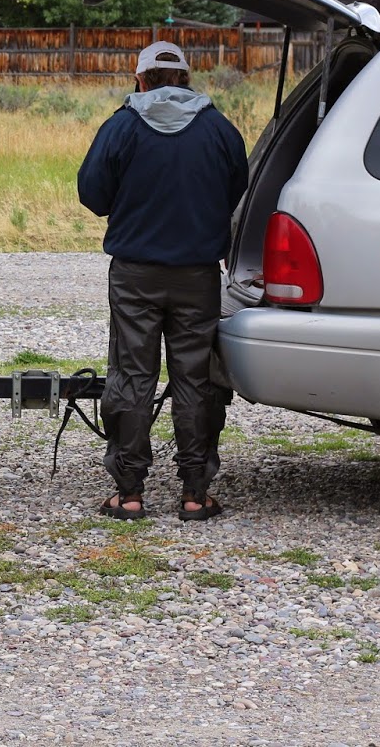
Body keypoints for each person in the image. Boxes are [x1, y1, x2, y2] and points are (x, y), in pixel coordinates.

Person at [76, 39, 248, 522]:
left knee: (132, 376)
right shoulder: (218, 128)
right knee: (195, 378)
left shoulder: (121, 127)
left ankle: (129, 492)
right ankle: (195, 493)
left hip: (134, 275)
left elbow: (93, 194)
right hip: (197, 276)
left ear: (140, 78)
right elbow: (239, 190)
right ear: (186, 79)